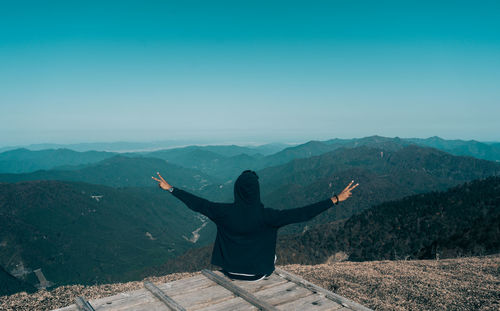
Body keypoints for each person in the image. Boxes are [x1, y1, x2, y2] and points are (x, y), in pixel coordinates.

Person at [152, 170, 358, 281]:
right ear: (257, 191)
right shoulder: (269, 216)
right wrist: (335, 199)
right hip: (258, 274)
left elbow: (197, 203)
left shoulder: (223, 212)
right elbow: (303, 213)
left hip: (230, 271)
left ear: (237, 190)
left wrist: (171, 189)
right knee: (272, 252)